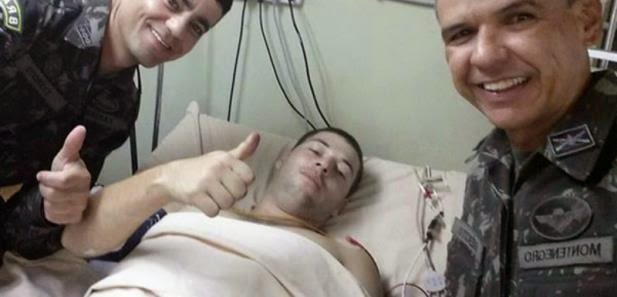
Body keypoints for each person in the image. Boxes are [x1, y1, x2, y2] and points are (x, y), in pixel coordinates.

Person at [0, 0, 234, 262]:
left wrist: (52, 207)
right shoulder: (27, 15)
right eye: (172, 1)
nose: (176, 29)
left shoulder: (117, 110)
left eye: (195, 27)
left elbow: (19, 236)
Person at [433, 0, 616, 296]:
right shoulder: (491, 163)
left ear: (587, 19)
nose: (486, 56)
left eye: (519, 18)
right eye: (461, 34)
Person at [62, 127, 383, 297]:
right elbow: (79, 241)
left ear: (340, 207)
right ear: (281, 161)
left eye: (341, 171)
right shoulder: (188, 204)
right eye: (315, 150)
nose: (325, 164)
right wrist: (164, 179)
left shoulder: (346, 253)